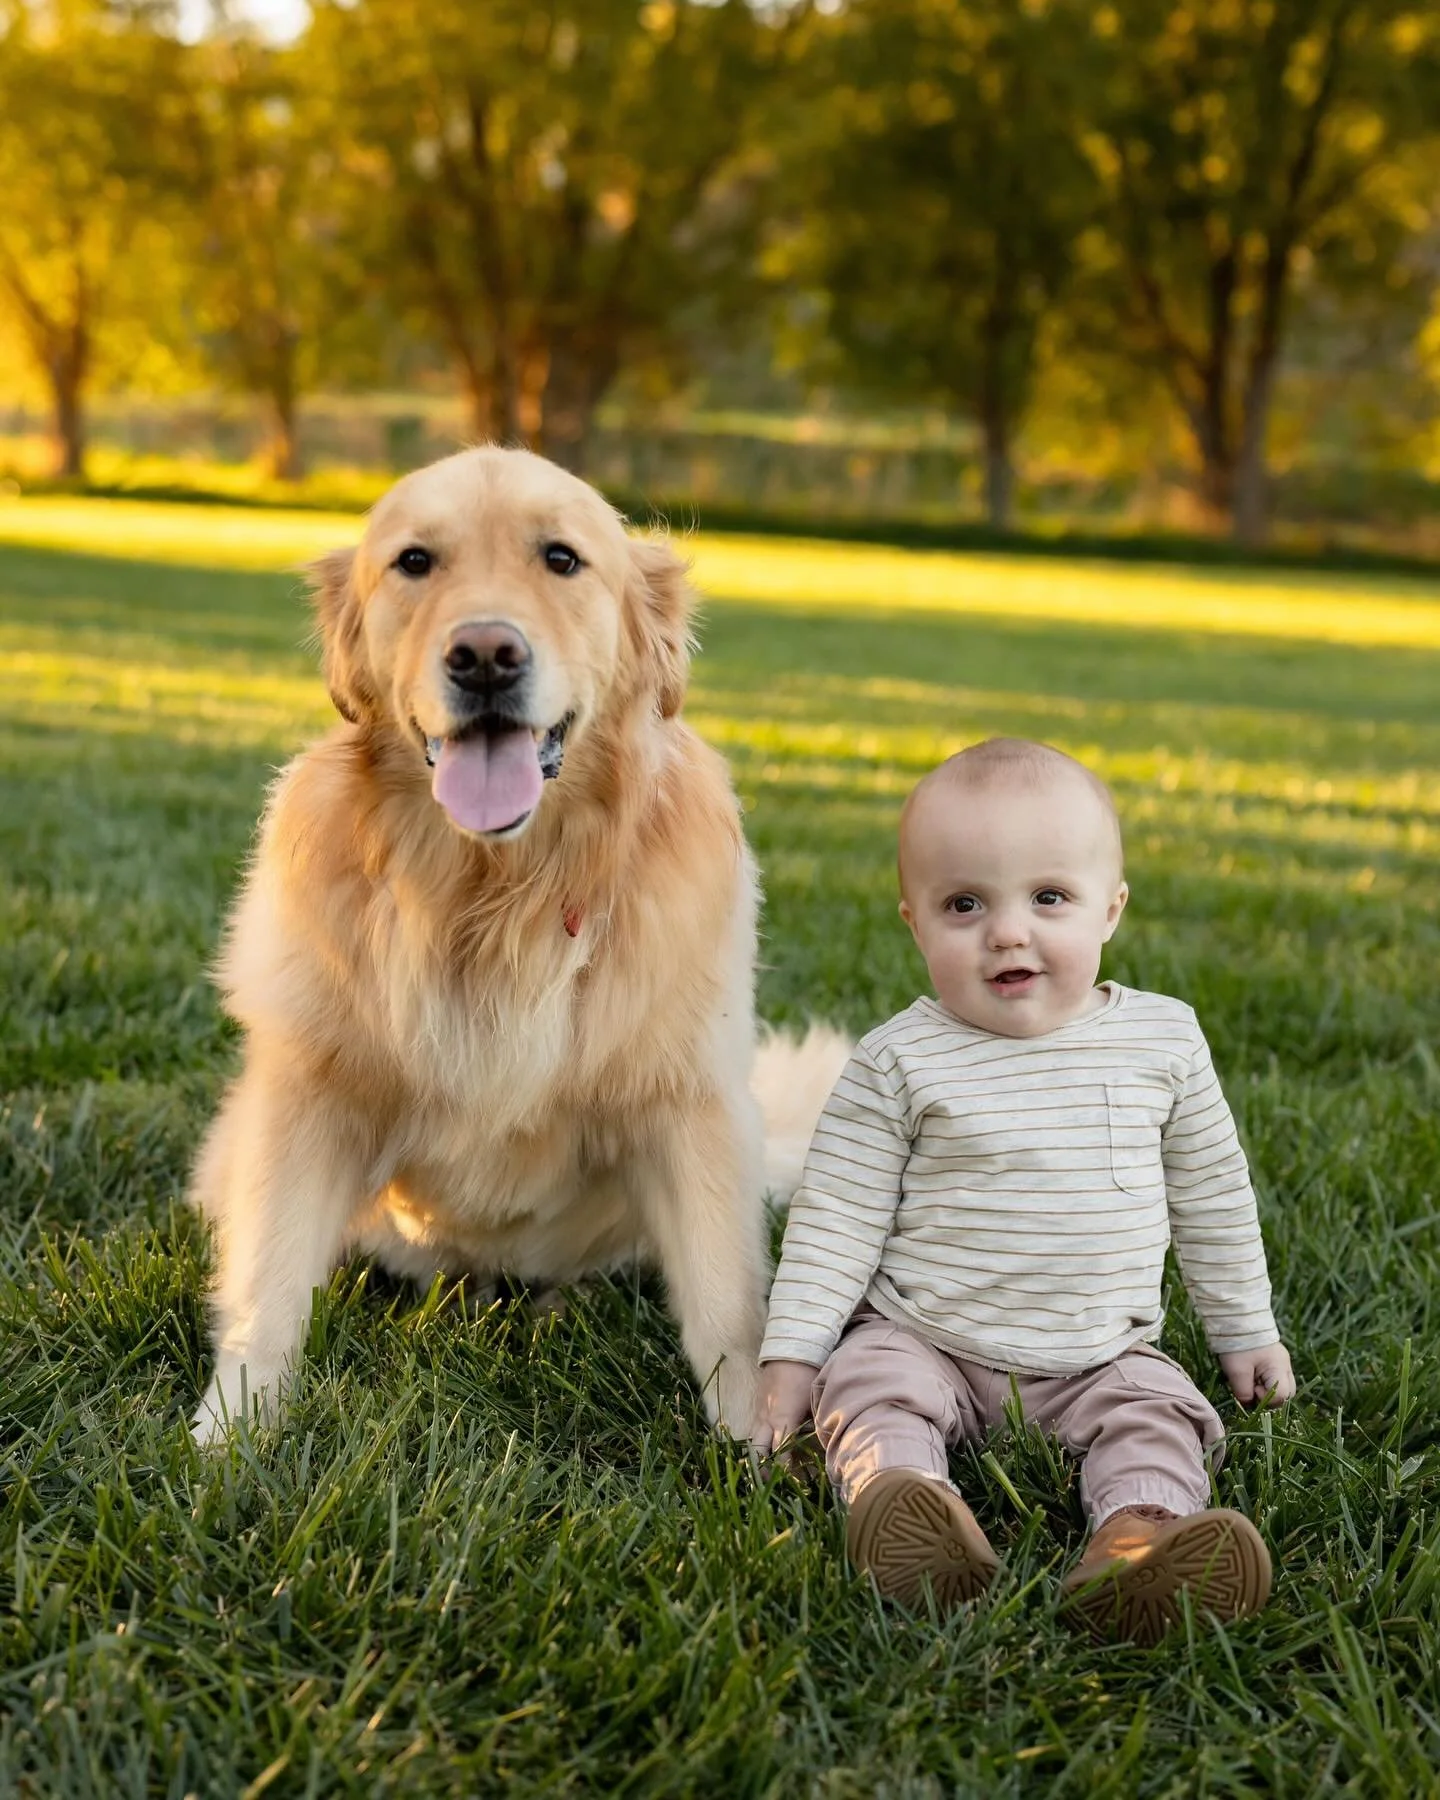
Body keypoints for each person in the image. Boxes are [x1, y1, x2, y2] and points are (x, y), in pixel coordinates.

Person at [757, 737, 1294, 1646]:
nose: (1008, 932)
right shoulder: (898, 1061)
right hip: (928, 1335)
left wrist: (1245, 1329)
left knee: (1156, 1414)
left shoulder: (1164, 1044)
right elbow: (834, 1221)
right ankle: (907, 1504)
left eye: (1048, 898)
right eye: (964, 905)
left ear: (1111, 909)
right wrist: (791, 1359)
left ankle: (1137, 1547)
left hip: (1098, 1353)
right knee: (870, 1380)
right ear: (914, 923)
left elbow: (1213, 1198)